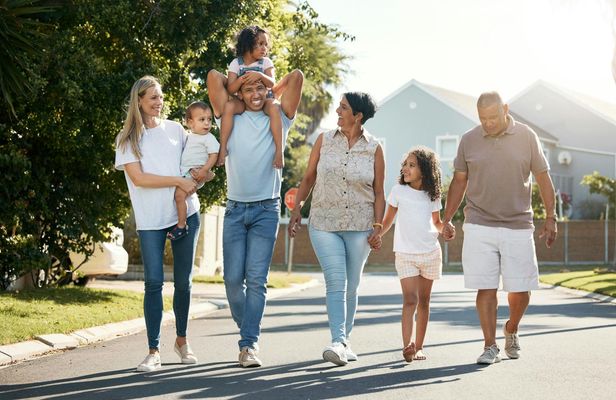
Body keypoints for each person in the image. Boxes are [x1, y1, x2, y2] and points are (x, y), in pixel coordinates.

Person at [442, 91, 558, 365]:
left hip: (518, 223)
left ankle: (511, 329)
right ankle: (489, 345)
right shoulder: (469, 140)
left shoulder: (527, 136)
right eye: (483, 118)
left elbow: (543, 177)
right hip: (479, 222)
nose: (489, 123)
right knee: (486, 286)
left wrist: (551, 216)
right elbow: (459, 182)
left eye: (493, 117)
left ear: (505, 109)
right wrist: (447, 218)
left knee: (521, 289)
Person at [207, 66, 304, 368]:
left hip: (266, 210)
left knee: (257, 281)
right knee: (233, 280)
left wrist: (264, 80)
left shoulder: (280, 118)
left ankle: (248, 343)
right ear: (239, 93)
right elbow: (213, 76)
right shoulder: (229, 116)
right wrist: (239, 81)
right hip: (235, 209)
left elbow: (297, 77)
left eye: (259, 89)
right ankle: (248, 323)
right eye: (248, 90)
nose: (255, 94)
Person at [288, 92, 385, 366]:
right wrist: (297, 210)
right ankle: (338, 341)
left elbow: (379, 192)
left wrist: (378, 227)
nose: (337, 111)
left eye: (343, 108)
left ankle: (345, 341)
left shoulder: (374, 148)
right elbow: (308, 177)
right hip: (323, 222)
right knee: (336, 282)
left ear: (358, 116)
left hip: (360, 225)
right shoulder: (324, 140)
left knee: (352, 286)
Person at [115, 76, 204, 372]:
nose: (158, 102)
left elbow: (192, 163)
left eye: (160, 96)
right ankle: (153, 350)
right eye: (152, 97)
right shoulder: (128, 140)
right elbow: (139, 179)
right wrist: (177, 180)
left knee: (184, 283)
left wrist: (195, 177)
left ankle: (181, 341)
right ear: (138, 100)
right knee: (153, 282)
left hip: (186, 213)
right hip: (151, 219)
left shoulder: (176, 130)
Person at [378, 146, 445, 363]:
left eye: (411, 165)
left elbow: (437, 223)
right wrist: (377, 233)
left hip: (430, 253)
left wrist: (447, 229)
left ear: (424, 171)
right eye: (405, 164)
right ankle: (407, 345)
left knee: (424, 302)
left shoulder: (432, 195)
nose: (406, 168)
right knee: (410, 300)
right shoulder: (398, 191)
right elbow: (388, 220)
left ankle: (419, 347)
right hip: (405, 254)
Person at [216, 25, 292, 169]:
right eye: (260, 44)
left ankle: (279, 151)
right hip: (243, 101)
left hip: (265, 100)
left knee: (275, 108)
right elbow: (231, 89)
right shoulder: (236, 64)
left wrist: (260, 75)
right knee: (229, 106)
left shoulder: (266, 62)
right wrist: (241, 80)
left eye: (266, 44)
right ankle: (223, 147)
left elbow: (271, 83)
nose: (264, 48)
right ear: (248, 44)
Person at [168, 101, 219, 241]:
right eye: (202, 119)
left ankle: (181, 226)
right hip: (186, 173)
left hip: (196, 175)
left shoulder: (209, 138)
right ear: (190, 123)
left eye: (209, 119)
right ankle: (180, 223)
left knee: (179, 196)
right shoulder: (189, 137)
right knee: (177, 197)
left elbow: (214, 155)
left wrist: (204, 170)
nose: (207, 123)